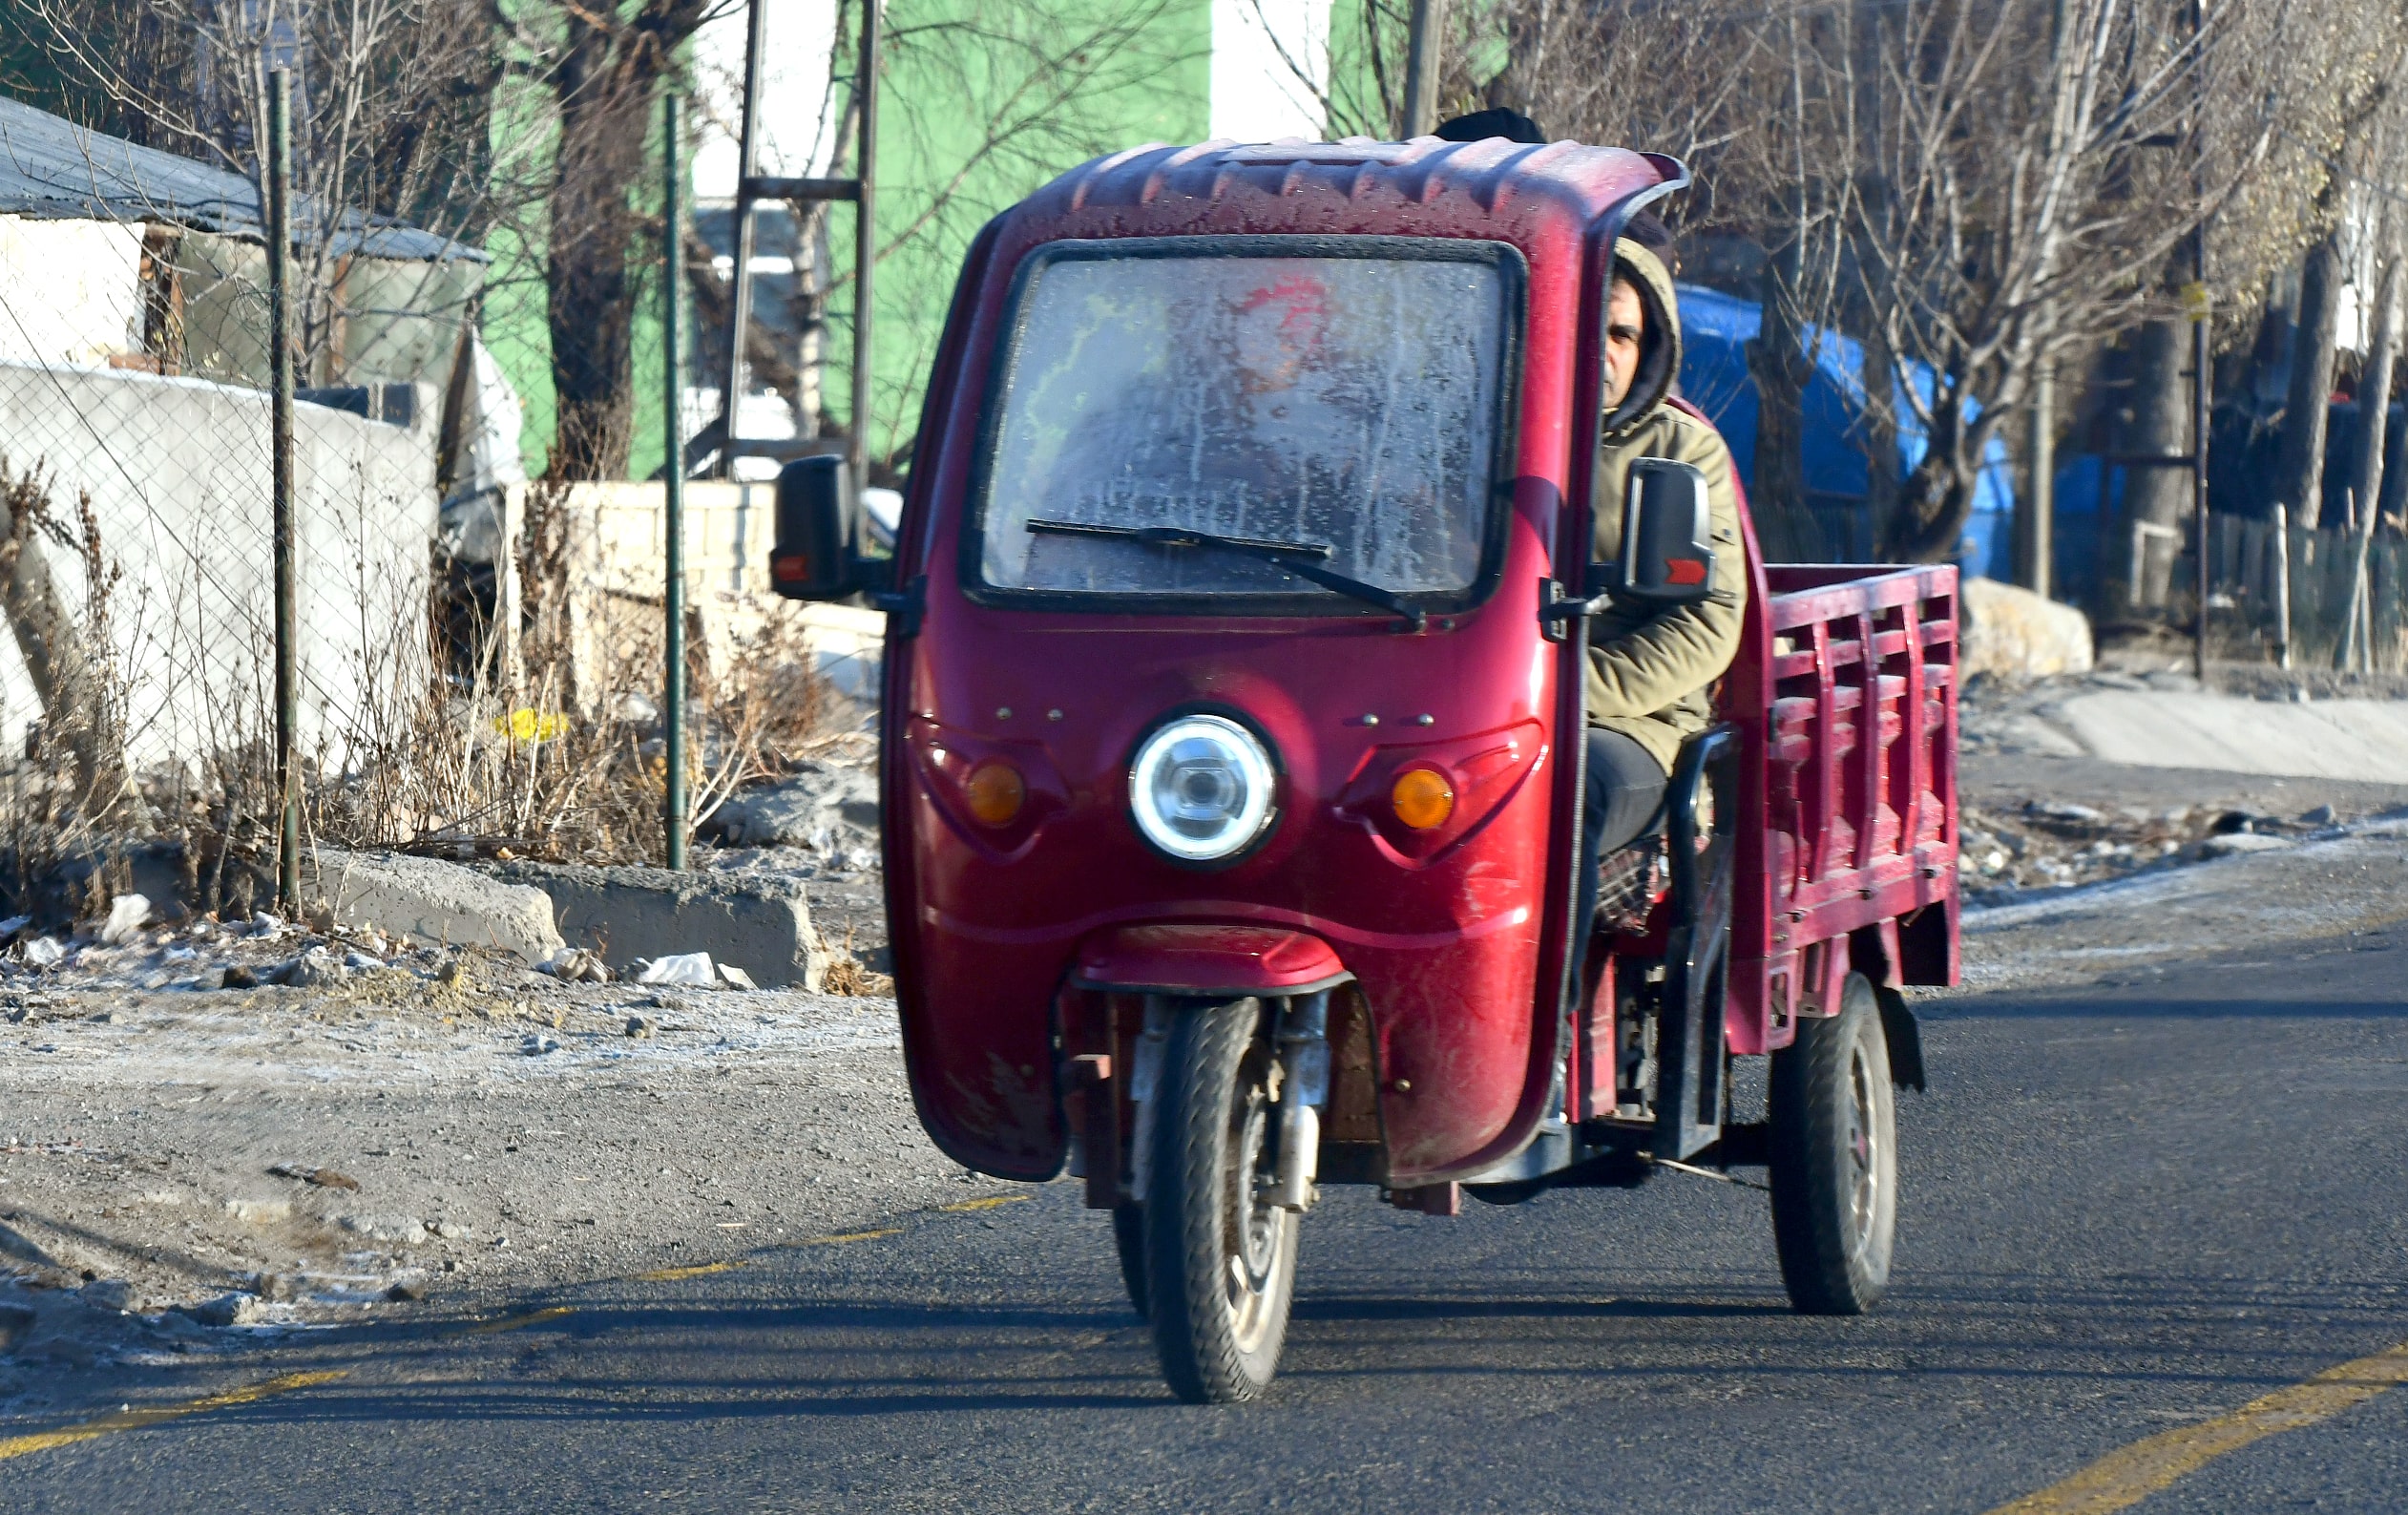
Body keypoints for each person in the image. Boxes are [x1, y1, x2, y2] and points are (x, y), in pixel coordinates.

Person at [1569, 220, 1747, 937]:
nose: (1604, 350)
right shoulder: (1468, 437)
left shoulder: (1683, 451)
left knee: (1559, 796)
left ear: (1650, 346)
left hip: (1626, 725)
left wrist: (1569, 689)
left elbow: (1707, 621)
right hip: (1466, 710)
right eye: (1586, 324)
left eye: (1622, 334)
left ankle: (1544, 1009)